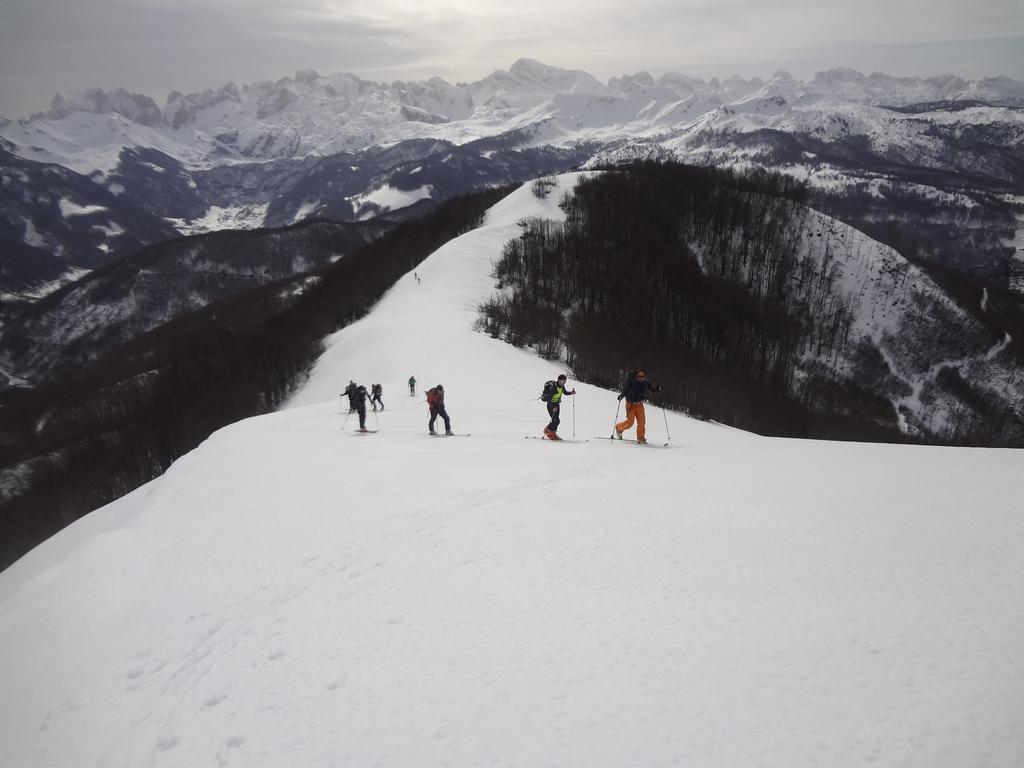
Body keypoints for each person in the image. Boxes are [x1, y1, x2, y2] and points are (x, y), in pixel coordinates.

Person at [615, 368, 662, 443]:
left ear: (645, 376)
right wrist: (621, 396)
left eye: (642, 376)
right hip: (630, 405)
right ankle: (618, 428)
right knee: (630, 423)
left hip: (640, 405)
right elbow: (626, 390)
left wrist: (657, 389)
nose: (640, 378)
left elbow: (652, 389)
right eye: (639, 376)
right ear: (637, 376)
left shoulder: (646, 383)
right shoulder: (632, 382)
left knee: (642, 423)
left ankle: (641, 438)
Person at [543, 374, 576, 440]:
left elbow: (565, 392)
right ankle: (548, 430)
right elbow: (549, 399)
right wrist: (552, 408)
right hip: (551, 405)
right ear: (558, 380)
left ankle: (553, 433)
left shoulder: (562, 386)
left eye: (564, 382)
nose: (563, 383)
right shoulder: (553, 387)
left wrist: (571, 392)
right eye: (562, 381)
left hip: (557, 404)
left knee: (556, 420)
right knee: (556, 420)